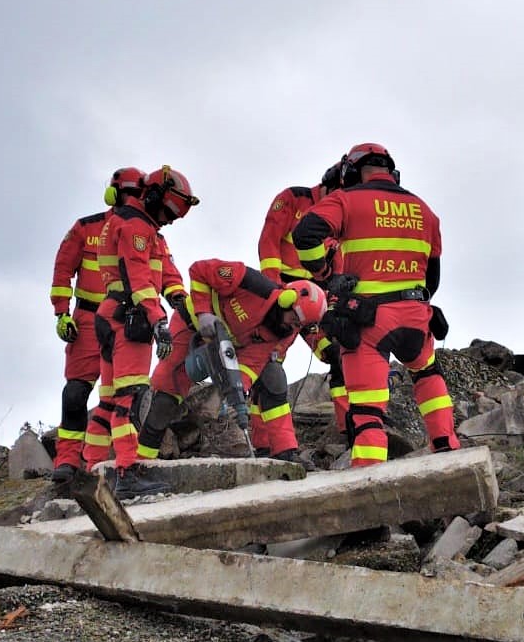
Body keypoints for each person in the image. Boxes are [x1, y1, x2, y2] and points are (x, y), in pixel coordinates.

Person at [292, 143, 460, 468]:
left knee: (368, 411)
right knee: (427, 375)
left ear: (351, 172)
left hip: (368, 322)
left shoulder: (345, 199)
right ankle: (447, 449)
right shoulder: (425, 210)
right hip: (416, 316)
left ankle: (369, 483)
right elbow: (432, 277)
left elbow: (305, 233)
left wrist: (323, 274)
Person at [130, 260, 329, 498]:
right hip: (191, 325)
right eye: (293, 320)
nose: (293, 327)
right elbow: (199, 270)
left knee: (273, 376)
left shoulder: (284, 331)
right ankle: (139, 468)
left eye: (299, 325)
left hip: (229, 344)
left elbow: (252, 364)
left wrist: (236, 391)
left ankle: (284, 454)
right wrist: (203, 314)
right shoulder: (250, 283)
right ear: (286, 300)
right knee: (166, 399)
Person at [92, 165, 199, 499]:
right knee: (129, 398)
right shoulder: (134, 226)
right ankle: (126, 473)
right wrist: (159, 321)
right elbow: (138, 277)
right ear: (152, 196)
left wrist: (180, 300)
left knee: (110, 400)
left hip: (115, 315)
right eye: (167, 211)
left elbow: (166, 271)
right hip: (130, 319)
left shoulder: (147, 229)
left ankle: (92, 472)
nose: (169, 219)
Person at [48, 167, 146, 482]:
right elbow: (63, 269)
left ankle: (119, 465)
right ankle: (66, 462)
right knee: (75, 394)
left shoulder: (144, 231)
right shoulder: (85, 228)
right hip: (87, 322)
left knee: (125, 396)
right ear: (113, 194)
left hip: (127, 322)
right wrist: (61, 313)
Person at [257, 161, 351, 444]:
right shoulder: (292, 199)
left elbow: (339, 261)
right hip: (284, 298)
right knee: (269, 363)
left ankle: (350, 432)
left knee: (338, 355)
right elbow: (269, 241)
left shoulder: (341, 216)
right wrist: (273, 290)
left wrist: (337, 302)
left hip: (317, 302)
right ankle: (263, 443)